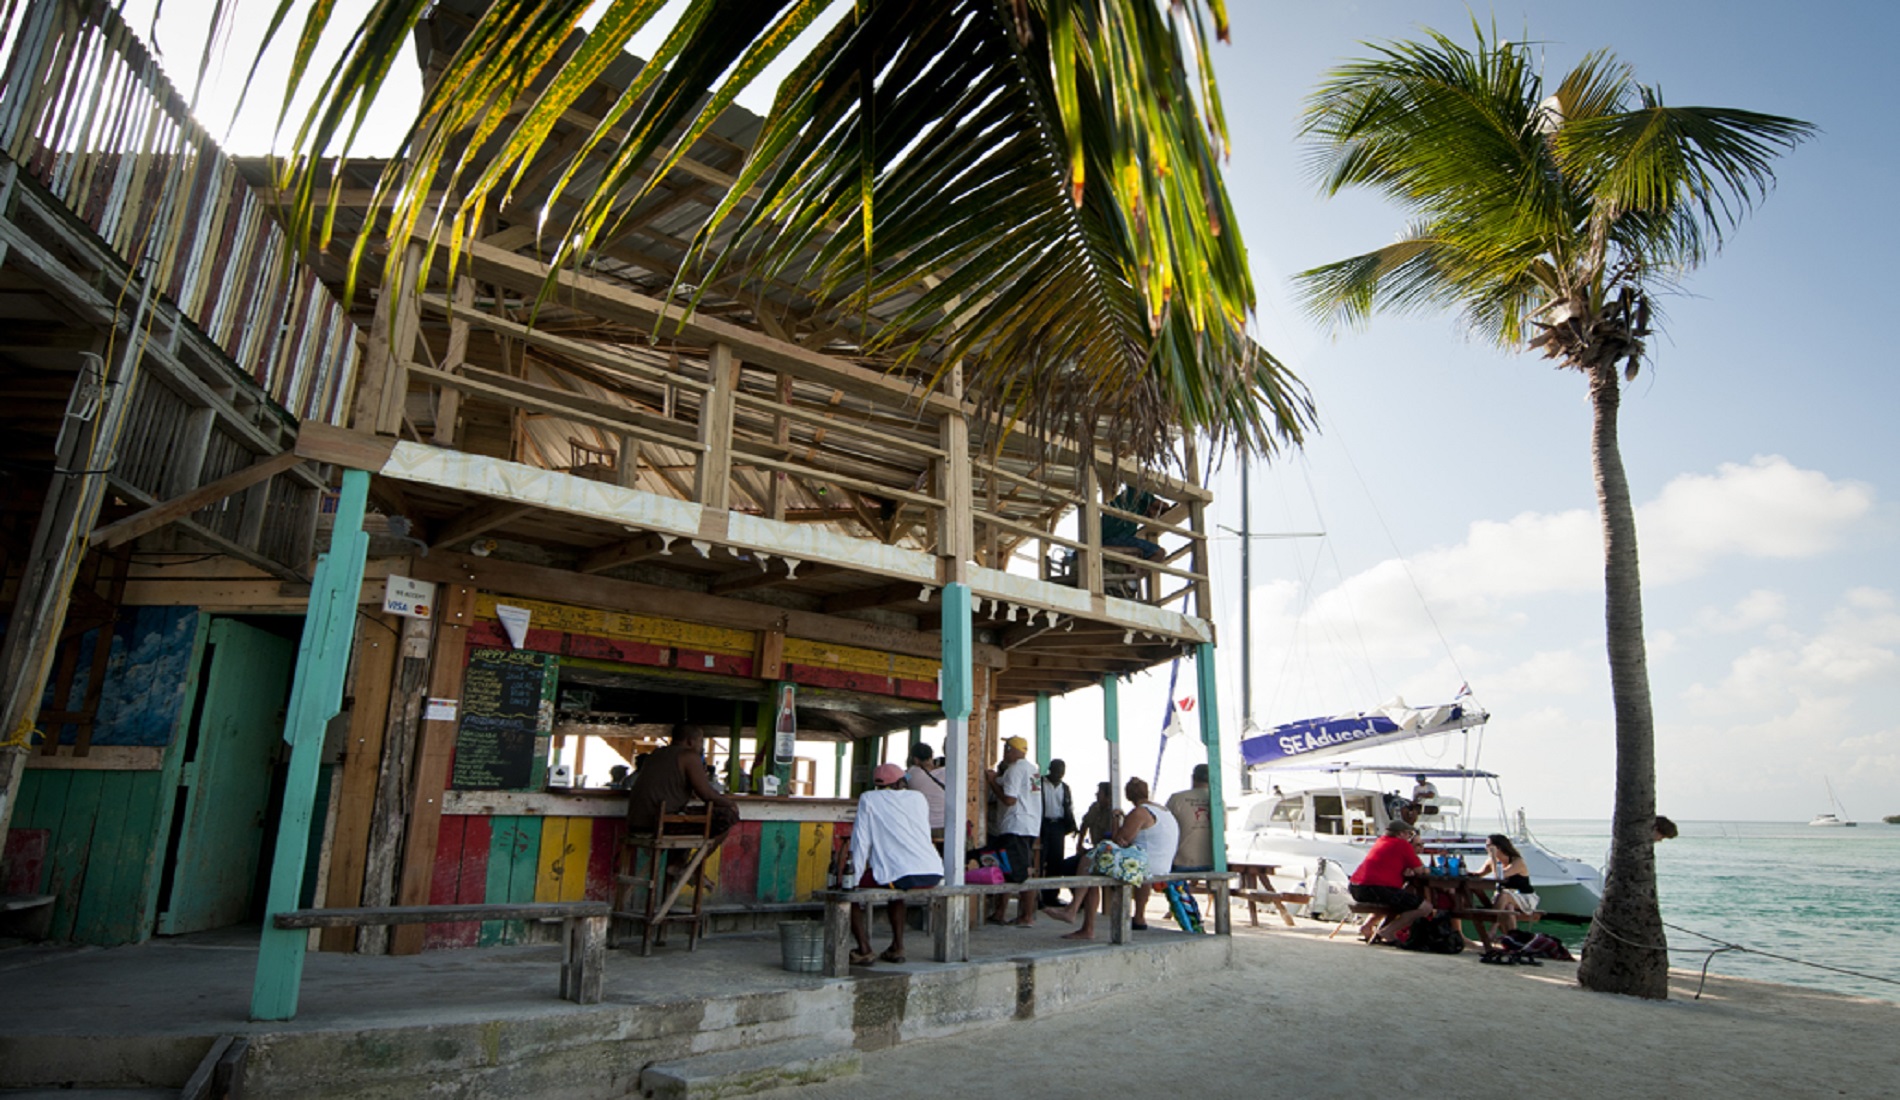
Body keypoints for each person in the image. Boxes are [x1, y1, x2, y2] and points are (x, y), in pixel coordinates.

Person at [1042, 777, 1178, 940]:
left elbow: (1119, 840)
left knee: (1088, 861)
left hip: (1143, 865)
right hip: (1161, 865)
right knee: (1093, 866)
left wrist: (1116, 821)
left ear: (1128, 795)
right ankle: (1130, 917)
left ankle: (1075, 911)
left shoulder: (1140, 812)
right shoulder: (1163, 811)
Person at [846, 763, 943, 965]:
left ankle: (864, 949)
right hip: (933, 872)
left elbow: (860, 841)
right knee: (896, 885)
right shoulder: (918, 798)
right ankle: (897, 947)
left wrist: (852, 881)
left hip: (901, 874)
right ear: (901, 782)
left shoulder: (869, 799)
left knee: (845, 893)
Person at [625, 724, 740, 840]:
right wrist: (730, 803)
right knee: (727, 815)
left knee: (692, 822)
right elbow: (706, 794)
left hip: (635, 822)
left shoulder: (656, 754)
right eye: (700, 741)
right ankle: (697, 858)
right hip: (660, 823)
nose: (701, 746)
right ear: (690, 741)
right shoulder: (689, 755)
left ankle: (682, 857)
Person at [983, 735, 1040, 926]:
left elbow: (1010, 799)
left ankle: (1026, 916)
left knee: (1022, 871)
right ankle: (1002, 912)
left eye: (1007, 748)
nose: (1004, 752)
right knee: (1011, 868)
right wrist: (996, 779)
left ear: (1011, 750)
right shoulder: (1033, 770)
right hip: (1030, 826)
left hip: (1016, 825)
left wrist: (991, 783)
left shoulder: (1015, 770)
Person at [1347, 821, 1433, 945]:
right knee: (1425, 907)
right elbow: (1420, 870)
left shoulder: (1381, 841)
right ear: (1400, 833)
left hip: (1356, 887)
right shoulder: (1402, 844)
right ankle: (1388, 932)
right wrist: (1427, 869)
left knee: (1393, 900)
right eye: (1409, 834)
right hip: (1374, 887)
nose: (1409, 837)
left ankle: (1367, 927)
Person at [1469, 833, 1537, 938]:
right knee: (1508, 907)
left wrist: (1493, 856)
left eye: (1489, 846)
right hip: (1505, 898)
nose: (1486, 848)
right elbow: (1479, 874)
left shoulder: (1517, 861)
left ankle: (1493, 929)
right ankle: (1512, 937)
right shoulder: (1492, 861)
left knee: (1505, 895)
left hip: (1524, 897)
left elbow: (1499, 876)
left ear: (1498, 847)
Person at [1038, 759, 1077, 905]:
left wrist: (1072, 826)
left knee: (1056, 861)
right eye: (1057, 770)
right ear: (1050, 769)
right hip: (1042, 824)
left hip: (1058, 826)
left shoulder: (1065, 788)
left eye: (1062, 771)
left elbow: (1068, 807)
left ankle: (1051, 896)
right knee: (1039, 860)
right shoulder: (1040, 783)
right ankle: (1037, 896)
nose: (1059, 774)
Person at [1101, 483, 1169, 561]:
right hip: (1112, 538)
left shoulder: (1132, 510)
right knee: (1159, 553)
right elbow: (1164, 505)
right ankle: (1140, 572)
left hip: (1106, 539)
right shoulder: (1136, 492)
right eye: (1156, 512)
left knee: (1138, 553)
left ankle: (1137, 570)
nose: (1153, 516)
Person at [1165, 764, 1213, 872]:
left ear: (1193, 778)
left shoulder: (1177, 799)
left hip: (1182, 862)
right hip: (1212, 862)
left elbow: (1165, 829)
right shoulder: (1218, 800)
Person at [904, 741, 948, 844]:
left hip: (926, 826)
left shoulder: (911, 774)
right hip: (948, 825)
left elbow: (903, 780)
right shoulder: (947, 772)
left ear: (915, 759)